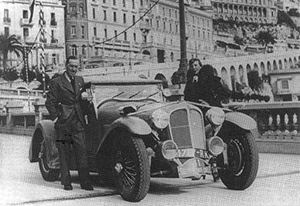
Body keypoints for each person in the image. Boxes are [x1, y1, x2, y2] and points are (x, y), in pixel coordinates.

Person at [45, 56, 93, 191]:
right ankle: (66, 182)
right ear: (66, 66)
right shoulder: (56, 82)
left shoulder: (80, 80)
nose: (74, 69)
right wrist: (55, 119)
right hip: (63, 121)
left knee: (82, 151)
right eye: (71, 66)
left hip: (78, 120)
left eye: (76, 67)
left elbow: (82, 100)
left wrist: (85, 98)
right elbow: (50, 102)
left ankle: (85, 183)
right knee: (64, 152)